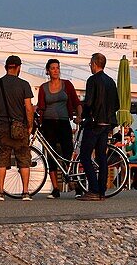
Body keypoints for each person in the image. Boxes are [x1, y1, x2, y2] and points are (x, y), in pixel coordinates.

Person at [0, 55, 35, 201]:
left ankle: (1, 192)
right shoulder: (24, 84)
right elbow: (28, 108)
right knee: (23, 157)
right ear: (18, 67)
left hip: (2, 126)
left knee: (1, 158)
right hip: (19, 126)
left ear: (6, 67)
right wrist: (30, 125)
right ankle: (25, 192)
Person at [35, 58, 81, 198]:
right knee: (51, 155)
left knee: (68, 153)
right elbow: (41, 106)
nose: (56, 70)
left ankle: (74, 184)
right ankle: (55, 188)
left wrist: (78, 116)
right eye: (53, 68)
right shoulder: (43, 88)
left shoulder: (67, 85)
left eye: (57, 68)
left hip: (63, 122)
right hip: (48, 123)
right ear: (48, 71)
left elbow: (76, 102)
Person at [78, 52, 119, 201]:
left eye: (90, 64)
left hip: (94, 123)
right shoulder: (110, 81)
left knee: (85, 156)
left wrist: (83, 116)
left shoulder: (92, 80)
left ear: (95, 64)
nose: (90, 66)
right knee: (102, 157)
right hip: (107, 123)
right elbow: (116, 104)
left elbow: (89, 102)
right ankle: (101, 190)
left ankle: (93, 189)